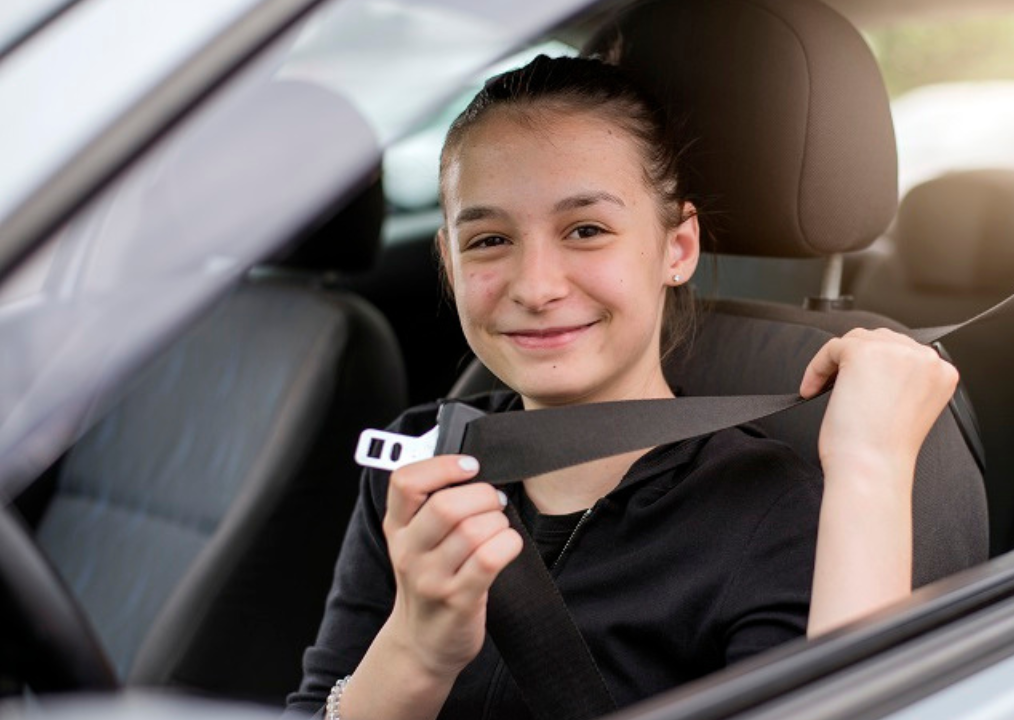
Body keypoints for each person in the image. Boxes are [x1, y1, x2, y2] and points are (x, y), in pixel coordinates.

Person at [287, 54, 958, 719]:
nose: (536, 287)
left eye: (586, 230)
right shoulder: (421, 463)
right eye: (489, 240)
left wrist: (871, 466)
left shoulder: (767, 508)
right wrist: (416, 652)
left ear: (678, 249)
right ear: (448, 261)